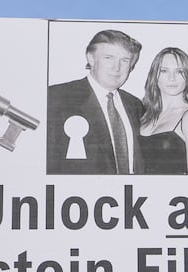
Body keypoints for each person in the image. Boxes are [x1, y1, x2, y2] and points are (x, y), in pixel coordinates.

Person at [46, 30, 145, 175]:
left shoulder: (135, 105)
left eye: (124, 60)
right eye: (108, 58)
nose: (116, 68)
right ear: (91, 59)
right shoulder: (57, 98)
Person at [139, 47, 188, 175]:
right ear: (154, 76)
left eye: (179, 71)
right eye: (164, 71)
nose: (172, 78)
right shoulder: (143, 115)